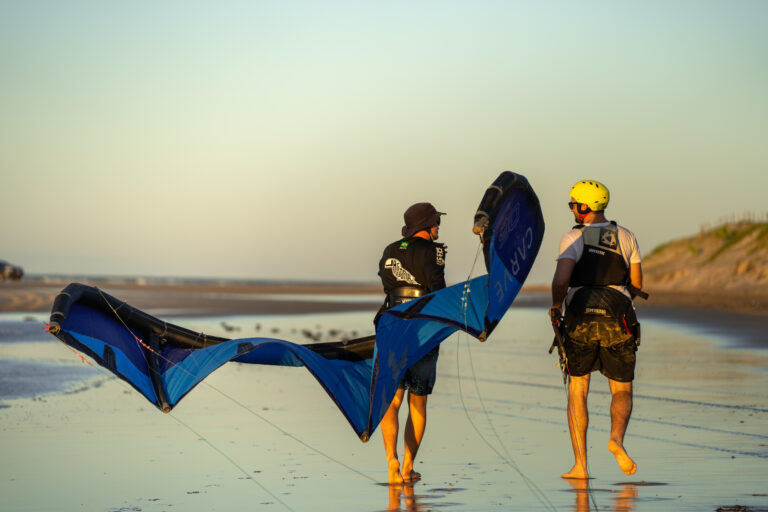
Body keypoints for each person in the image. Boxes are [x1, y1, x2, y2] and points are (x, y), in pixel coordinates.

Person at [550, 180, 644, 479]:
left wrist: (556, 306)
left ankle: (581, 466)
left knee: (578, 390)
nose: (572, 209)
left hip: (580, 315)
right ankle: (616, 440)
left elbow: (561, 280)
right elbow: (638, 284)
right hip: (619, 317)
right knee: (622, 389)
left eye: (573, 204)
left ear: (585, 207)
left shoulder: (573, 237)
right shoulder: (626, 236)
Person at [377, 202, 446, 484]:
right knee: (417, 404)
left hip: (392, 325)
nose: (438, 227)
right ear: (426, 225)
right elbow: (437, 289)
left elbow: (386, 285)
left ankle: (391, 461)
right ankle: (407, 466)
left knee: (392, 400)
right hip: (422, 328)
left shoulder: (390, 250)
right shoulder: (435, 251)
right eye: (435, 222)